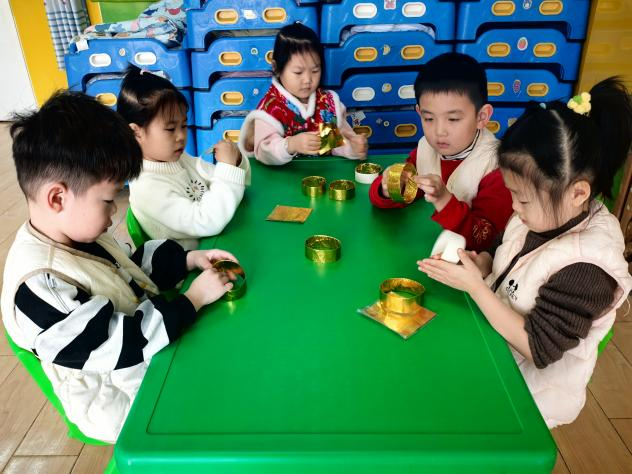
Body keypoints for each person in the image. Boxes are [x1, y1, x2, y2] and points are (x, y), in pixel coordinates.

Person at [1, 91, 238, 442]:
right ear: (57, 197)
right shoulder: (38, 287)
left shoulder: (76, 230)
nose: (114, 211)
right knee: (231, 396)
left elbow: (130, 269)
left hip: (152, 358)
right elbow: (122, 344)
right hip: (129, 403)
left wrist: (188, 260)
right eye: (109, 199)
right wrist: (193, 300)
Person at [418, 78, 632, 428]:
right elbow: (506, 248)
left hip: (527, 397)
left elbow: (538, 348)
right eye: (512, 194)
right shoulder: (541, 214)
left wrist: (475, 287)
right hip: (496, 353)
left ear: (578, 194)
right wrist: (484, 262)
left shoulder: (587, 266)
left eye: (523, 198)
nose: (514, 208)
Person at [370, 52, 513, 252]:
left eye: (453, 119)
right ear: (419, 112)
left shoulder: (496, 168)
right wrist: (388, 189)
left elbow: (485, 240)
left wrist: (444, 200)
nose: (439, 131)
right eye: (429, 119)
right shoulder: (426, 150)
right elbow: (402, 193)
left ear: (481, 117)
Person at [119, 66, 250, 251]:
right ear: (136, 132)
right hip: (194, 265)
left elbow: (227, 180)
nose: (181, 136)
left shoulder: (177, 159)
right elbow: (205, 221)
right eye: (170, 129)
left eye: (184, 125)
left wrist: (235, 161)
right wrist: (227, 168)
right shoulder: (147, 187)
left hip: (216, 243)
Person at [238, 22, 368, 164]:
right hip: (283, 176)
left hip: (321, 174)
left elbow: (332, 144)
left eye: (315, 71)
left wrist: (353, 148)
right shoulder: (271, 109)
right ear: (276, 68)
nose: (307, 80)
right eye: (298, 72)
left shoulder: (327, 104)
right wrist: (290, 145)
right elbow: (264, 152)